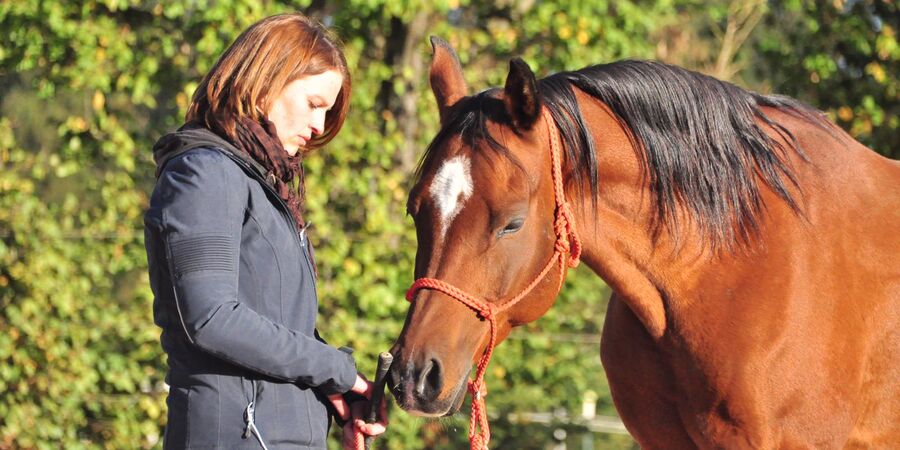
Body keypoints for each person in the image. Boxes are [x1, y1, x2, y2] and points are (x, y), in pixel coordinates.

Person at [144, 13, 386, 450]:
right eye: (315, 104)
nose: (318, 128)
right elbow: (211, 318)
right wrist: (335, 367)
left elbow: (275, 327)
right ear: (266, 80)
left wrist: (331, 395)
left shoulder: (262, 188)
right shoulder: (204, 173)